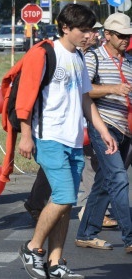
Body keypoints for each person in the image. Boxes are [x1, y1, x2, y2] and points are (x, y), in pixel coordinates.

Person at [17, 4, 117, 279]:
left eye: (91, 31)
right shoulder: (46, 53)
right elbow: (25, 97)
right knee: (64, 196)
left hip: (73, 140)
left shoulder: (80, 58)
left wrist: (103, 130)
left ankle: (55, 262)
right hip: (49, 136)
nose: (89, 35)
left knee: (66, 204)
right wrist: (25, 135)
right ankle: (32, 247)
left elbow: (86, 99)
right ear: (65, 28)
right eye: (83, 30)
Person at [76, 13, 132, 254]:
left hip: (126, 129)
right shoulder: (94, 57)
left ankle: (86, 233)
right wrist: (113, 88)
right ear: (107, 35)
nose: (125, 40)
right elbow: (83, 90)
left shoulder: (129, 60)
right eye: (120, 35)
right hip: (104, 127)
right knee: (118, 179)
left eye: (128, 35)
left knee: (104, 183)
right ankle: (130, 237)